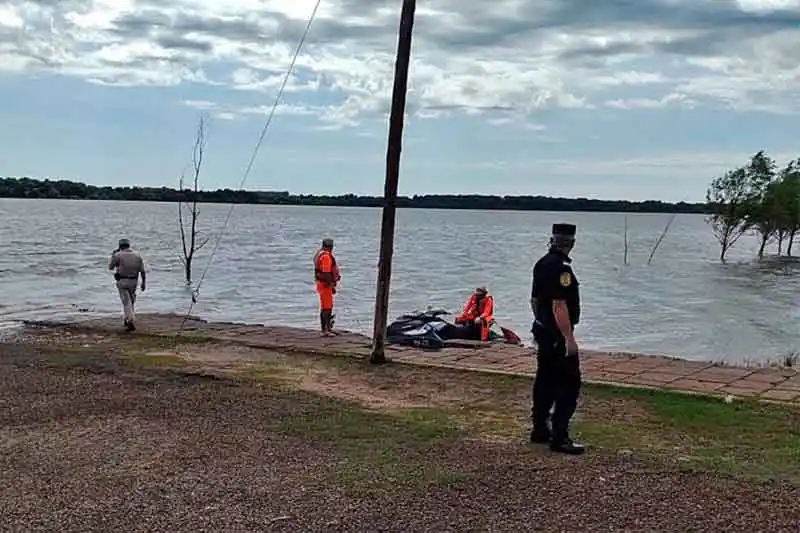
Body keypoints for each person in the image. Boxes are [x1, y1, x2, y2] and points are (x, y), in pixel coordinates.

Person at [530, 223, 584, 455]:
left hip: (543, 330)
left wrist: (542, 323)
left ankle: (540, 428)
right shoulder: (562, 269)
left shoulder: (541, 264)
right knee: (569, 383)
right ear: (571, 243)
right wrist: (568, 338)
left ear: (552, 240)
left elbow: (534, 301)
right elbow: (559, 306)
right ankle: (560, 436)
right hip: (557, 334)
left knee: (545, 380)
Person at [108, 238, 146, 332]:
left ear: (120, 246)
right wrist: (143, 283)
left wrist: (113, 255)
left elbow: (110, 267)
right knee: (131, 301)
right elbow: (142, 271)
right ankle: (127, 318)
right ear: (129, 246)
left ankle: (130, 320)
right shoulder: (137, 256)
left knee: (126, 301)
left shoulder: (118, 255)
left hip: (122, 280)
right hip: (134, 281)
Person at [313, 238, 341, 336]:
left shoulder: (320, 254)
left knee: (327, 306)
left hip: (322, 283)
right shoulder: (325, 257)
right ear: (330, 247)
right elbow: (326, 272)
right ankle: (325, 330)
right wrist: (331, 284)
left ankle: (327, 328)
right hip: (325, 284)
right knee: (326, 307)